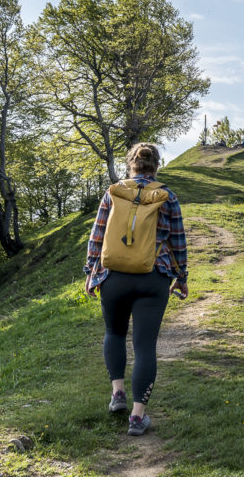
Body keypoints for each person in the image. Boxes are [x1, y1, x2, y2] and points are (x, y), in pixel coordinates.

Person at [84, 142, 188, 436]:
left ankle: (117, 393)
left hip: (113, 275)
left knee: (114, 333)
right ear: (156, 165)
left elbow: (98, 234)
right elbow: (178, 240)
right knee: (145, 346)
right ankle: (137, 416)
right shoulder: (167, 196)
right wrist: (181, 276)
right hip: (153, 277)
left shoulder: (113, 192)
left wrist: (91, 272)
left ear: (130, 164)